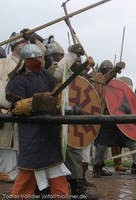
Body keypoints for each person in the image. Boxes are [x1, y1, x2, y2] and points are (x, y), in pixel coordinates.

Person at [5, 42, 71, 196]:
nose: (40, 61)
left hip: (49, 132)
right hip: (31, 133)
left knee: (58, 175)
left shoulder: (44, 74)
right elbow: (14, 108)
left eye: (41, 57)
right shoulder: (18, 80)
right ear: (25, 60)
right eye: (36, 58)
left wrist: (57, 96)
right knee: (26, 176)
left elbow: (54, 89)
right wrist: (37, 101)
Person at [52, 40, 99, 199]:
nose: (59, 57)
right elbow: (59, 73)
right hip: (53, 121)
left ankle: (78, 190)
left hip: (67, 121)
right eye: (57, 55)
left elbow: (79, 82)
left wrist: (85, 65)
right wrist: (73, 54)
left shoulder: (72, 75)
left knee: (72, 151)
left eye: (60, 55)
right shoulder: (51, 70)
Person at [93, 60, 136, 178]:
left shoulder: (117, 86)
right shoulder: (98, 83)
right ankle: (97, 167)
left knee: (133, 141)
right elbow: (103, 82)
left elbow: (125, 100)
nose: (110, 72)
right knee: (101, 145)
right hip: (106, 119)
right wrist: (115, 70)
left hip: (121, 118)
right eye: (108, 70)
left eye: (111, 70)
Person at [0, 34, 27, 183]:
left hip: (19, 112)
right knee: (4, 148)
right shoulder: (3, 63)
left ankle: (15, 175)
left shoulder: (25, 65)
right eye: (23, 42)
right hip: (3, 111)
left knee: (17, 148)